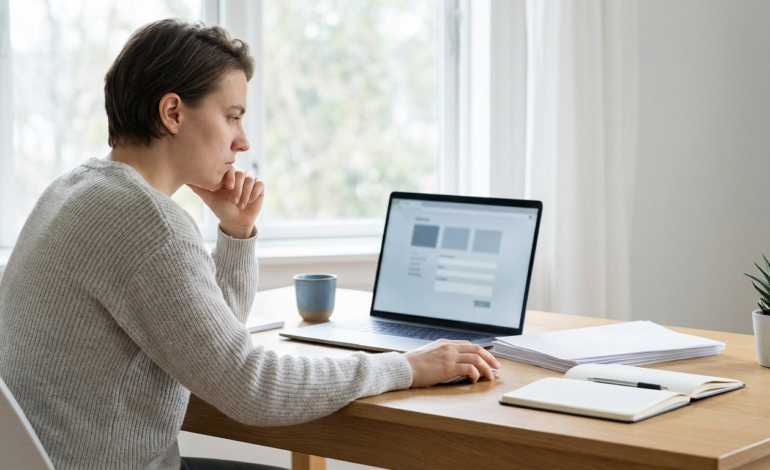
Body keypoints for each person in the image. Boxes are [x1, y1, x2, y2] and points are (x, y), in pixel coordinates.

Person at [0, 19, 500, 470]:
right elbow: (249, 387)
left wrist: (235, 234)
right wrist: (405, 367)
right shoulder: (148, 224)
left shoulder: (75, 188)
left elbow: (212, 344)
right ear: (173, 112)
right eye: (232, 116)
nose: (243, 142)